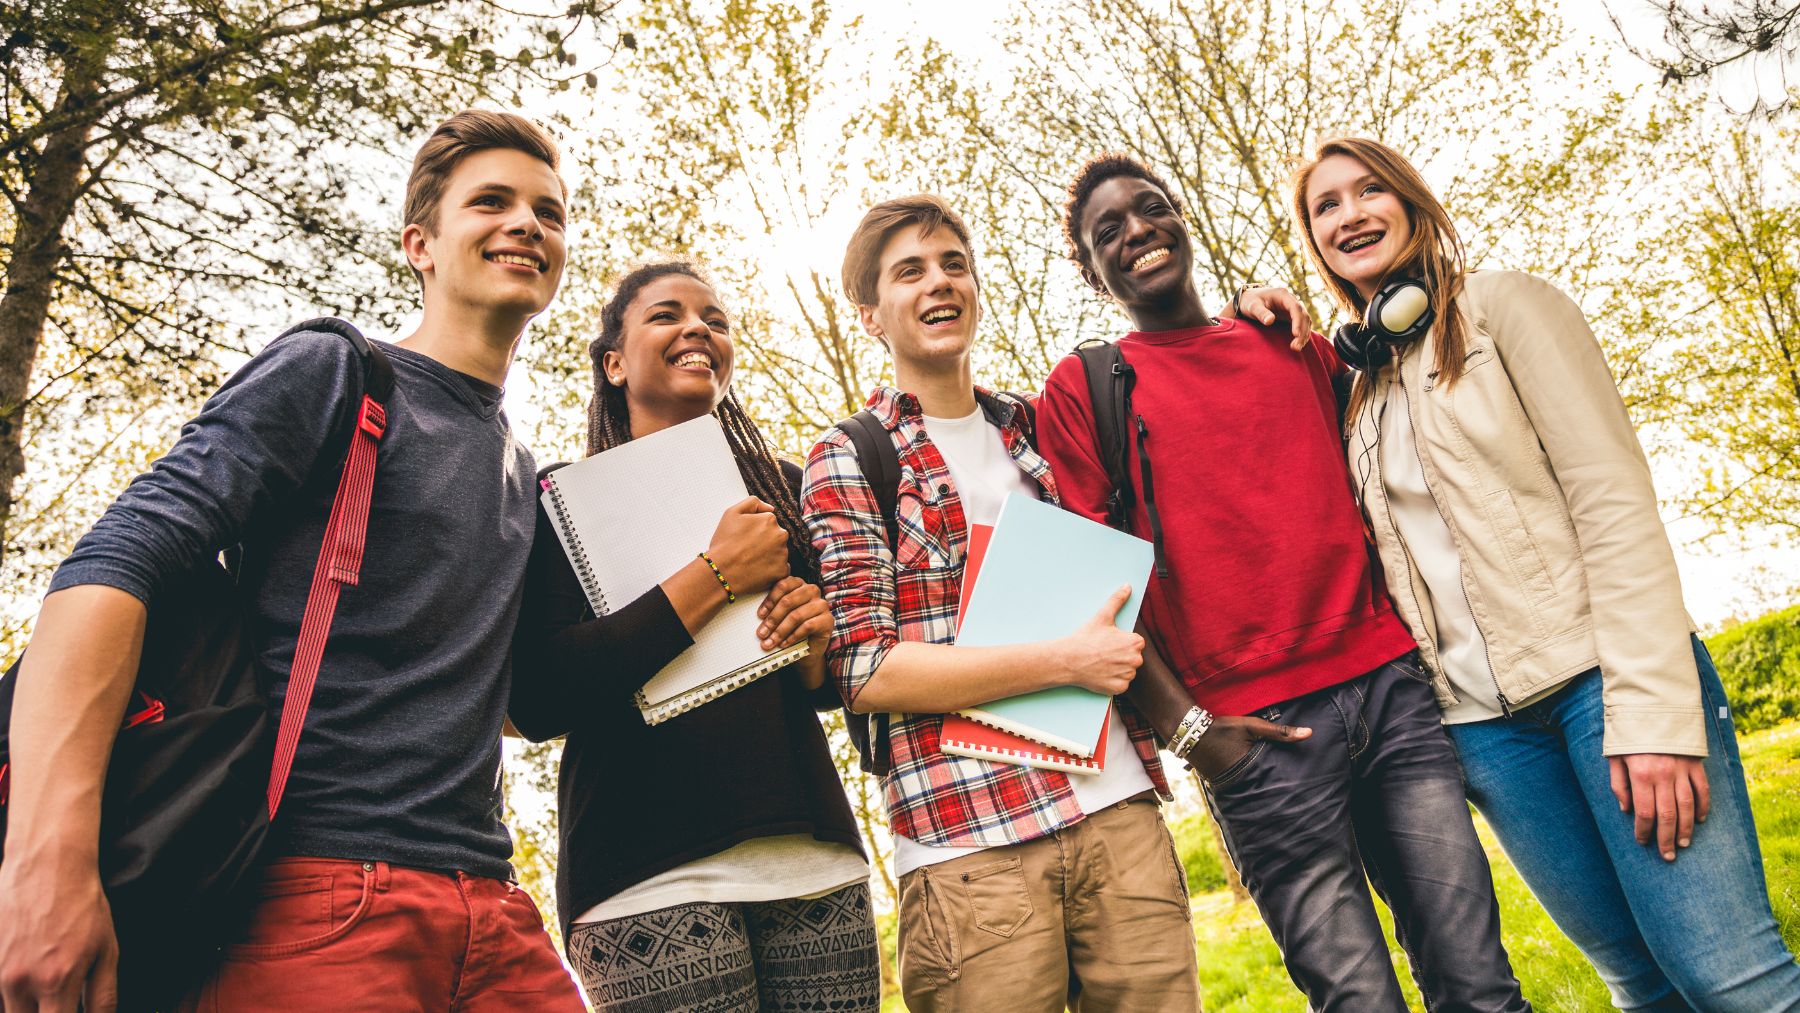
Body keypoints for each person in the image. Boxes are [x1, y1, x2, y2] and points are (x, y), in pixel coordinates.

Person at [0, 110, 586, 1010]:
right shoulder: (339, 372)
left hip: (497, 912)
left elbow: (490, 698)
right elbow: (117, 559)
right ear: (420, 244)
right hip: (323, 895)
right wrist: (45, 863)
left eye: (548, 213)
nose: (526, 225)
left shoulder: (526, 471)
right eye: (493, 202)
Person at [1293, 136, 1800, 1012]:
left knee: (1732, 979)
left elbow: (1614, 503)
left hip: (1603, 687)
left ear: (1412, 202)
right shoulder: (1357, 394)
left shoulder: (1505, 308)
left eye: (1369, 190)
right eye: (1325, 206)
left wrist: (1651, 709)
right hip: (1487, 734)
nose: (1350, 215)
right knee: (1639, 985)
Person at [1036, 152, 1532, 1012]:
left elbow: (1392, 456)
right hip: (1256, 742)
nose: (1137, 232)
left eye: (1149, 209)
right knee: (1357, 1001)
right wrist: (1192, 732)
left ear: (1180, 216)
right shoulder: (1084, 388)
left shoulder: (1286, 341)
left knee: (1480, 985)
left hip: (1390, 693)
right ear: (1089, 268)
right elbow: (1090, 593)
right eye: (1106, 231)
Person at [802, 194, 1307, 1013]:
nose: (939, 283)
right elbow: (864, 668)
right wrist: (1065, 662)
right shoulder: (851, 456)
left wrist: (1242, 316)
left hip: (1117, 816)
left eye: (953, 264)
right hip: (971, 851)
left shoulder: (1041, 426)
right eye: (910, 272)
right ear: (871, 316)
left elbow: (1188, 425)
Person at [509, 261, 880, 1012]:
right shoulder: (560, 504)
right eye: (666, 315)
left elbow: (823, 690)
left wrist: (813, 647)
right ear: (613, 362)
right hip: (644, 873)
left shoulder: (778, 486)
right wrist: (715, 574)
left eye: (715, 318)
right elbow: (540, 695)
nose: (697, 329)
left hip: (809, 858)